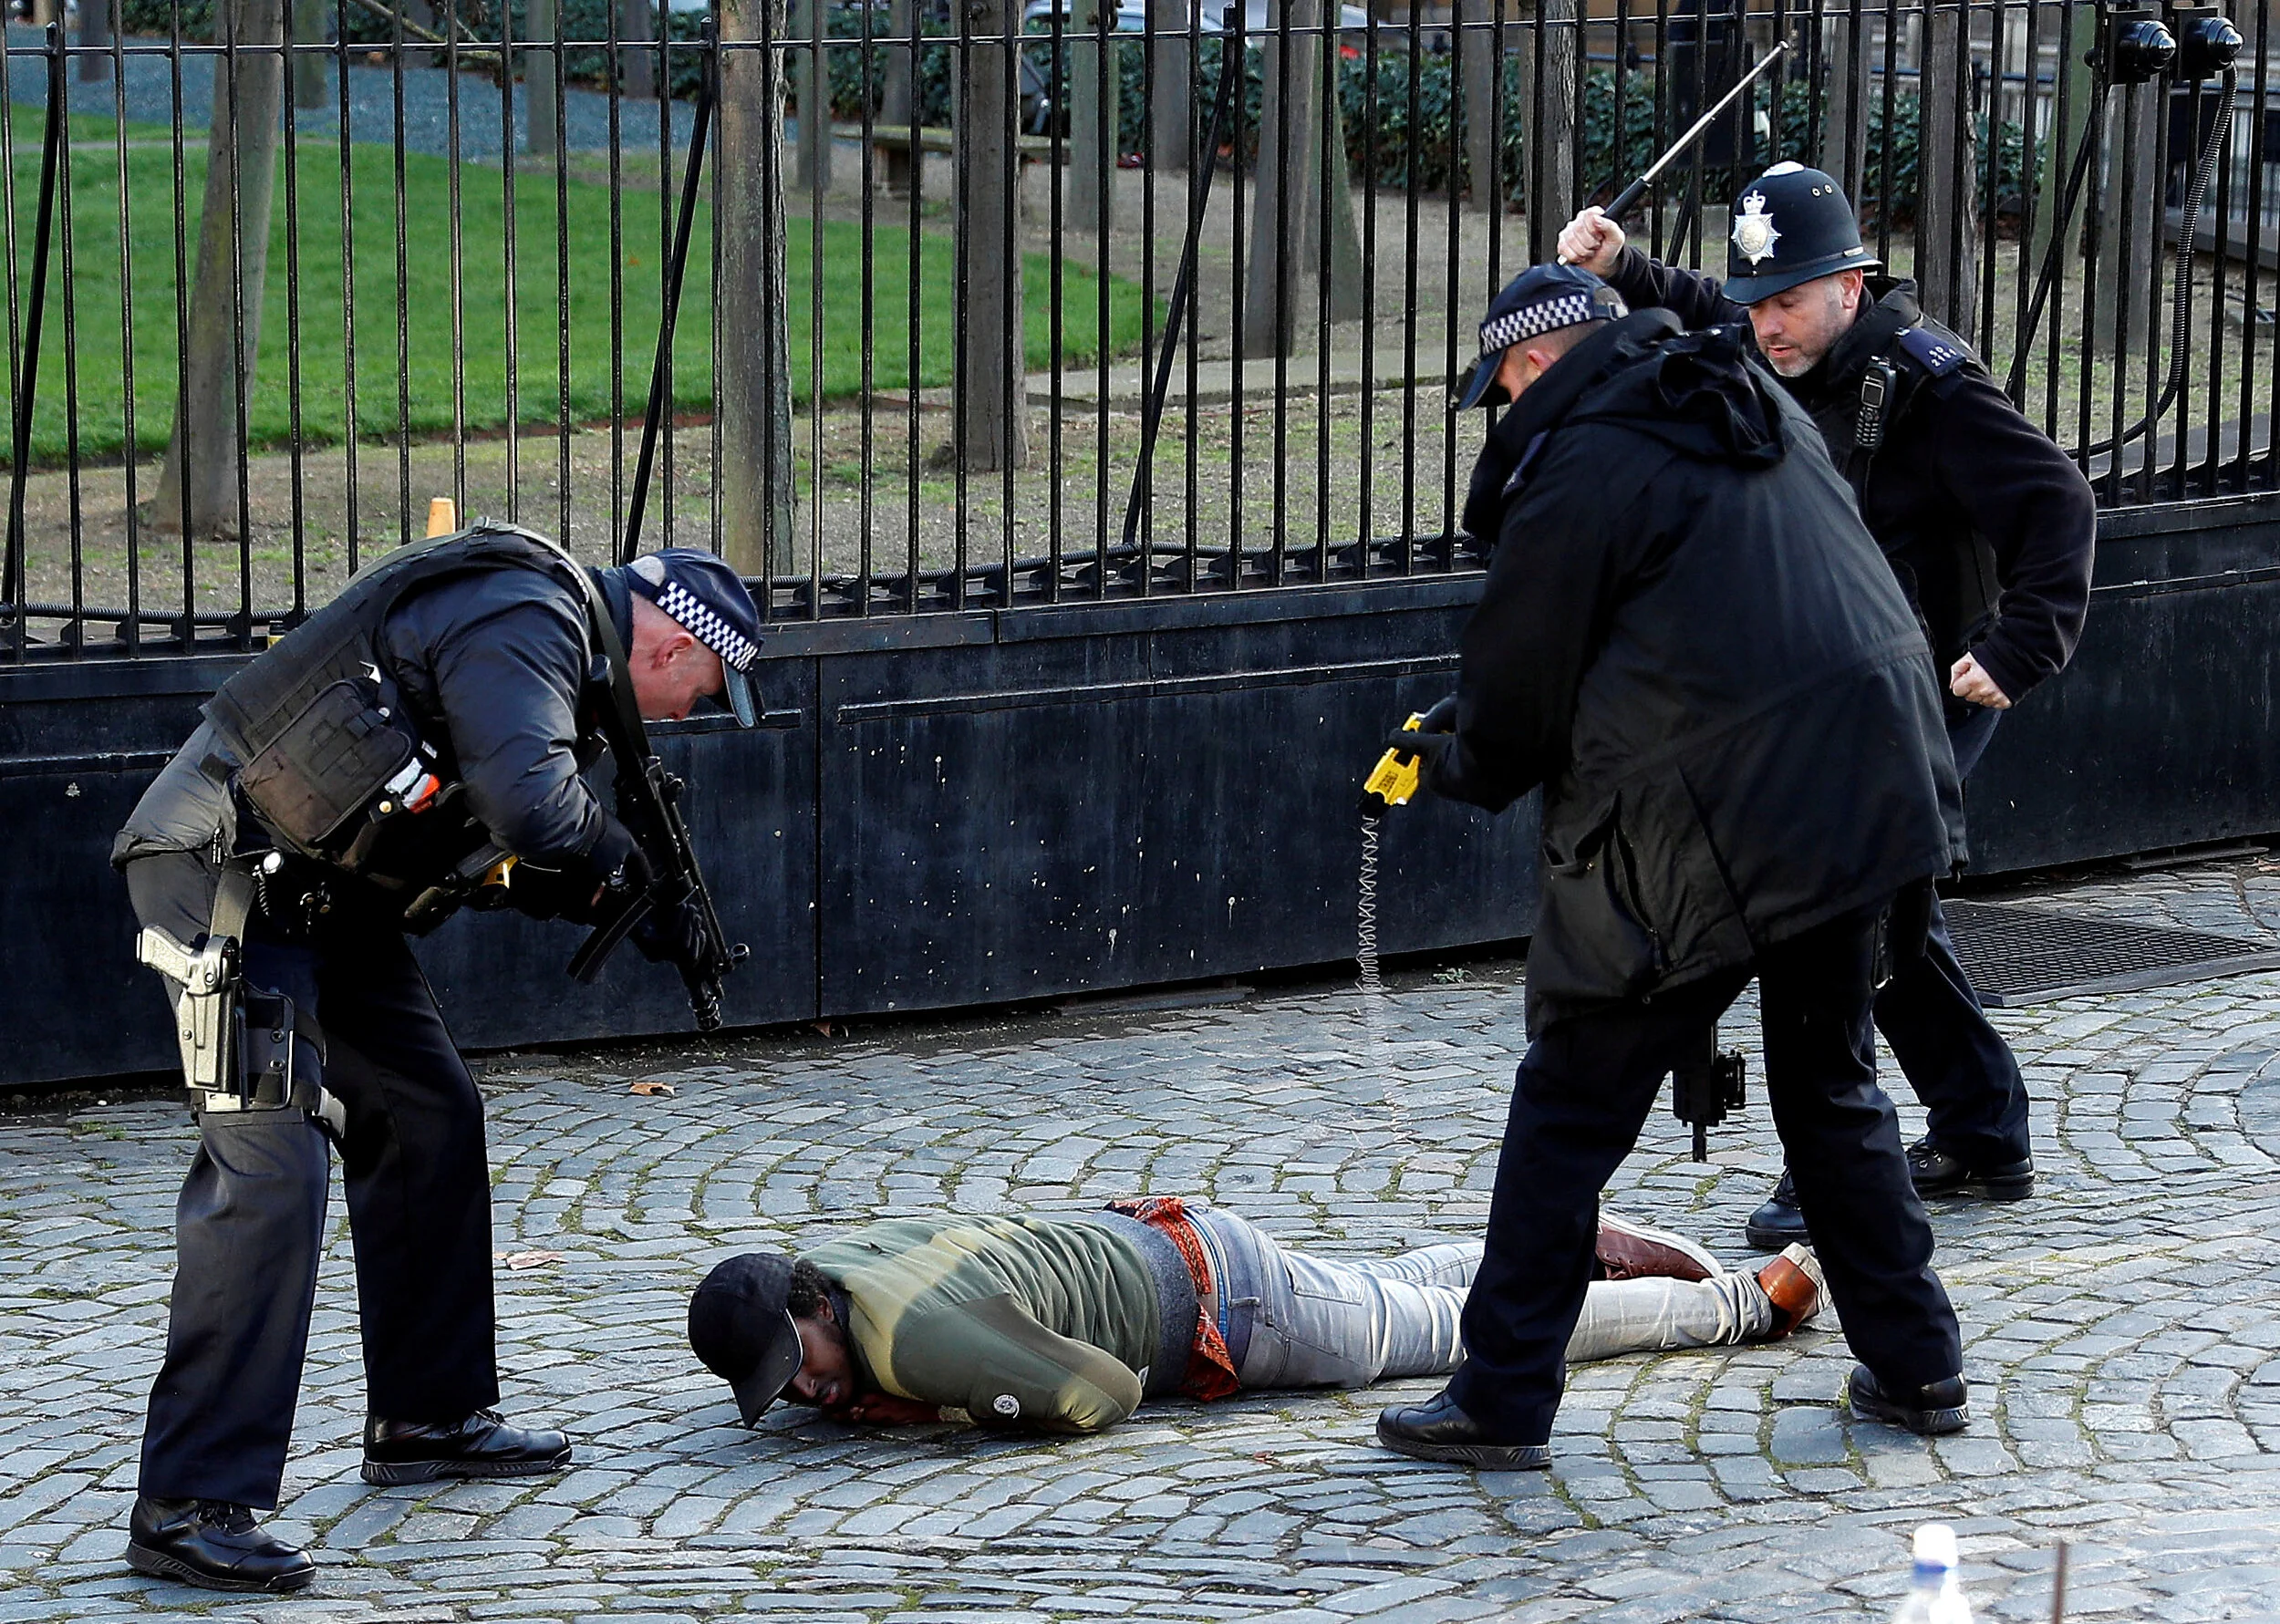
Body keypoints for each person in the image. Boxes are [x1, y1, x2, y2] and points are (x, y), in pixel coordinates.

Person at [1369, 264, 1972, 1470]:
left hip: (1725, 818)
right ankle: (1920, 1368)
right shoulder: (1739, 392)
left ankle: (1499, 1400)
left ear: (1536, 365)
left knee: (1569, 1103)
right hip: (1871, 777)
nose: (1503, 412)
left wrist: (1439, 754)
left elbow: (1515, 704)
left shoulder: (1585, 462)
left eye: (1503, 388)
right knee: (1830, 1082)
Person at [111, 528, 763, 1594]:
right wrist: (619, 860)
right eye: (705, 685)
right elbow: (529, 806)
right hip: (220, 874)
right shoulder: (529, 616)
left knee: (427, 1111)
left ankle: (428, 1413)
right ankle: (186, 1503)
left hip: (321, 894)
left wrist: (619, 900)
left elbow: (479, 843)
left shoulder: (551, 653)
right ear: (665, 641)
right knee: (272, 1165)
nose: (694, 711)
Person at [1558, 166, 2097, 1248]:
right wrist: (1621, 266)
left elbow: (2057, 500)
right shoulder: (1782, 339)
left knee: (1827, 901)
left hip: (1934, 678)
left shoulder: (1928, 386)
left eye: (1788, 300)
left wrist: (2019, 645)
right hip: (1842, 685)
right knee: (1884, 907)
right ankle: (1984, 1128)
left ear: (1849, 284)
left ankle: (1835, 1152)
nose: (1765, 325)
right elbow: (1713, 308)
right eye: (1756, 303)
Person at [686, 1199, 1827, 1434]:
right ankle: (1568, 1232)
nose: (807, 1392)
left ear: (810, 1305)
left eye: (802, 1365)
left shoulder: (918, 1342)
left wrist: (923, 1405)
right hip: (1172, 1233)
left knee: (1464, 1332)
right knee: (1396, 1284)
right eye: (782, 1389)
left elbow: (1099, 1391)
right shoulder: (837, 1263)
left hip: (1230, 1308)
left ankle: (1738, 1300)